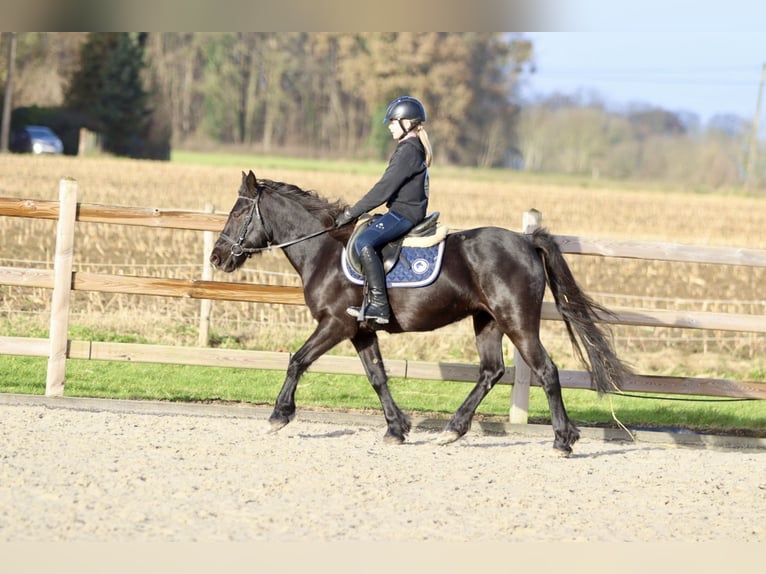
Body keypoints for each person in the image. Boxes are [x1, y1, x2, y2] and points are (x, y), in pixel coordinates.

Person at [334, 95, 433, 325]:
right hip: (402, 211)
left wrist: (352, 213)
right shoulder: (409, 147)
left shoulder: (408, 150)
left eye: (392, 121)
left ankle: (379, 305)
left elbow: (383, 190)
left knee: (363, 242)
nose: (389, 126)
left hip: (404, 214)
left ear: (406, 123)